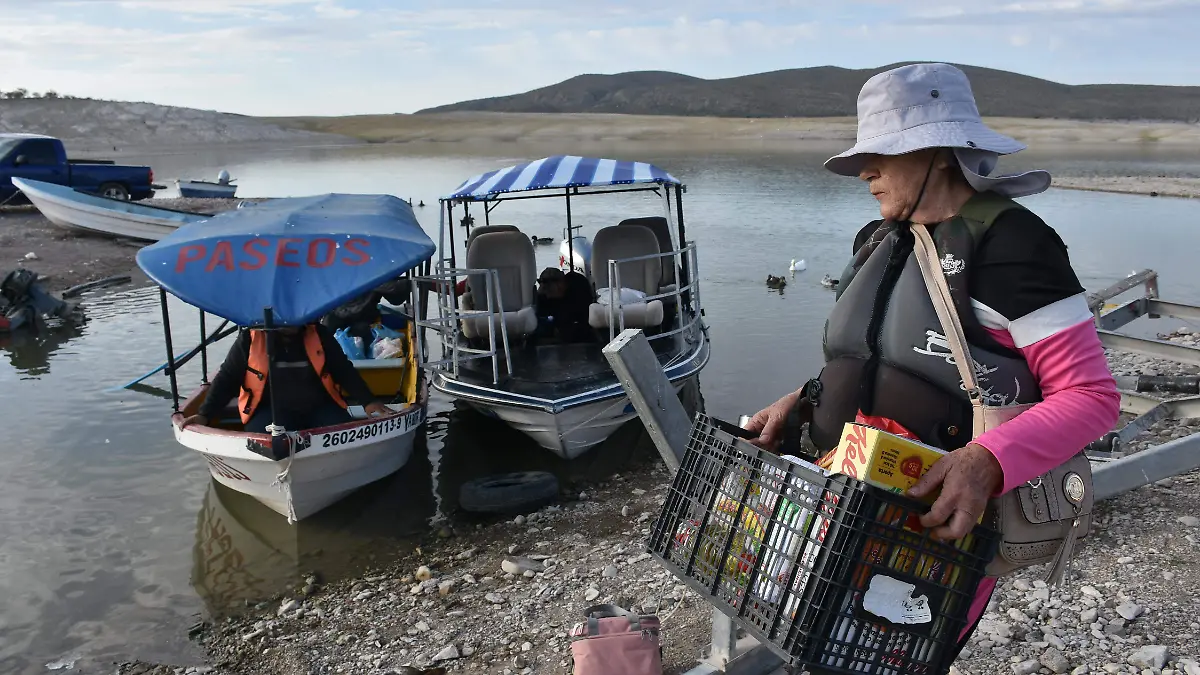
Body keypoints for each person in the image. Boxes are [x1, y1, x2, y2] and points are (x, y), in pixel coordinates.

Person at [744, 63, 1119, 665]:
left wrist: (985, 462)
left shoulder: (1014, 247)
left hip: (937, 527)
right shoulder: (879, 238)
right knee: (815, 652)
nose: (866, 171)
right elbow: (870, 356)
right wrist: (804, 396)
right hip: (836, 505)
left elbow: (1092, 397)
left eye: (884, 155)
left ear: (941, 152)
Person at [180, 323, 390, 434]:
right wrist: (205, 415)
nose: (289, 321)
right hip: (268, 412)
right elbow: (227, 379)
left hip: (320, 407)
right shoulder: (249, 338)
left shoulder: (320, 334)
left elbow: (344, 371)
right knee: (265, 439)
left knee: (342, 433)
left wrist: (368, 401)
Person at [534, 267, 594, 342]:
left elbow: (585, 317)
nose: (547, 294)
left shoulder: (579, 287)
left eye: (549, 289)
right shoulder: (543, 297)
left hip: (580, 330)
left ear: (561, 283)